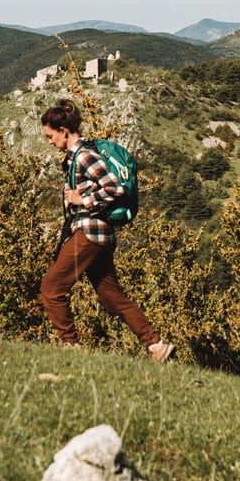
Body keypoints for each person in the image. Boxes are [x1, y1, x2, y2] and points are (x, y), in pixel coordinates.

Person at [40, 98, 174, 361]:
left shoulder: (85, 156)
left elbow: (115, 188)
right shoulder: (75, 158)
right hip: (99, 236)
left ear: (63, 131)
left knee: (52, 287)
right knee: (111, 296)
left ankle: (71, 346)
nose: (48, 141)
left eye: (50, 135)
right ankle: (156, 346)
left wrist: (82, 200)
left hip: (90, 234)